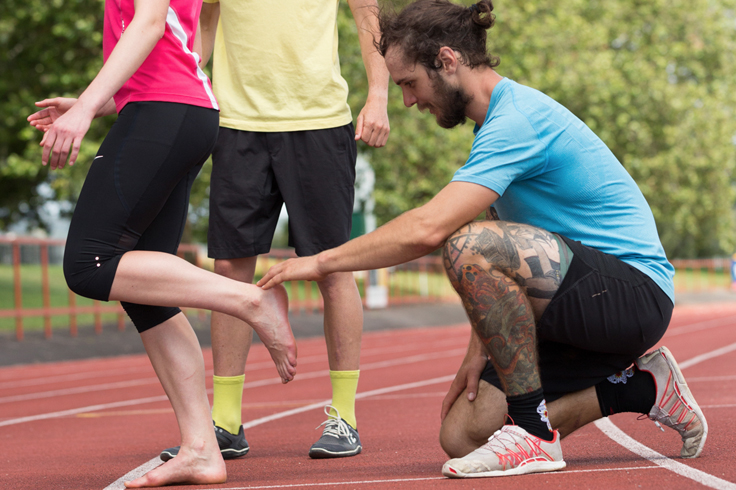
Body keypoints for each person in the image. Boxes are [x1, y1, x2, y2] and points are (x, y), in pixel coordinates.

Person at [257, 0, 708, 479]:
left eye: (409, 82)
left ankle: (535, 437)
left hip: (631, 296)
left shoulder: (518, 120)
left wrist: (322, 262)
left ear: (447, 62)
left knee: (466, 242)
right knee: (463, 435)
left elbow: (432, 229)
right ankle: (639, 388)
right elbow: (511, 260)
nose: (408, 101)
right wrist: (481, 349)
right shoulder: (489, 131)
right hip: (568, 299)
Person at [27, 0, 297, 486]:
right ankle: (201, 449)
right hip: (176, 108)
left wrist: (88, 108)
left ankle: (248, 299)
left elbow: (151, 23)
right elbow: (167, 42)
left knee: (89, 263)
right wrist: (98, 99)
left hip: (166, 111)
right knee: (145, 293)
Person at [158, 0, 390, 462]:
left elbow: (369, 17)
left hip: (319, 121)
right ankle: (225, 422)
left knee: (333, 268)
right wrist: (174, 94)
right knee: (228, 268)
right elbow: (203, 25)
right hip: (236, 123)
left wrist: (378, 95)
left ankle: (344, 418)